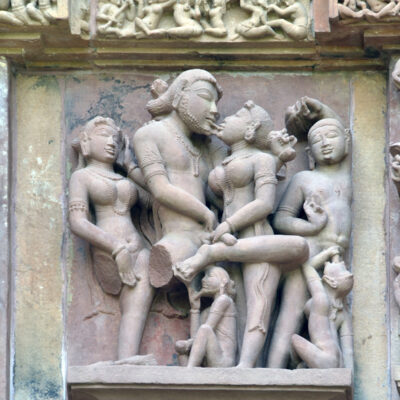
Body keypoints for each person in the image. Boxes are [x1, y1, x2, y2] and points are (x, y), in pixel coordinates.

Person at [173, 101, 309, 367]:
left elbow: (264, 204)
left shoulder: (261, 159)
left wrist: (230, 224)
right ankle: (232, 365)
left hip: (254, 236)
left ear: (251, 129)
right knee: (234, 306)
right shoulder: (224, 162)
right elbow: (217, 200)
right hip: (229, 241)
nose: (225, 118)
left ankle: (246, 367)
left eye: (236, 116)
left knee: (258, 305)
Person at [267, 98, 352, 368]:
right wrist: (312, 226)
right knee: (291, 315)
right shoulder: (304, 179)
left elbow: (341, 128)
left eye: (332, 137)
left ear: (346, 142)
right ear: (309, 154)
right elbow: (281, 219)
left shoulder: (345, 176)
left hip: (335, 262)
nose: (325, 143)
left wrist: (322, 111)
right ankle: (273, 372)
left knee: (329, 320)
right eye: (317, 140)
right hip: (309, 254)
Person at [69, 116, 154, 361]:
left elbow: (154, 200)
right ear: (86, 141)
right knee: (131, 288)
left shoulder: (124, 180)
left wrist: (130, 166)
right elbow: (78, 222)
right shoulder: (82, 177)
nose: (111, 142)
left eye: (116, 139)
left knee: (138, 297)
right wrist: (116, 248)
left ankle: (127, 357)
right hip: (109, 252)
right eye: (104, 136)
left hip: (138, 248)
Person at [132, 69, 226, 289]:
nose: (214, 110)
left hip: (212, 239)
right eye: (205, 98)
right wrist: (204, 213)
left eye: (216, 103)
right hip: (179, 240)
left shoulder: (205, 147)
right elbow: (160, 189)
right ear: (179, 96)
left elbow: (223, 195)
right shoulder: (150, 134)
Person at [292, 244, 353, 369]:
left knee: (294, 339)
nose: (329, 262)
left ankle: (298, 365)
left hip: (325, 359)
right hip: (338, 364)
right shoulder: (343, 314)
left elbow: (307, 266)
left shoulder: (321, 299)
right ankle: (305, 365)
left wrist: (327, 253)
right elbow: (349, 352)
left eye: (331, 264)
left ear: (331, 281)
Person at [176, 266, 237, 367]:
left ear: (223, 281)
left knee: (205, 329)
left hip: (224, 361)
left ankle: (190, 369)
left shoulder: (224, 300)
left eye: (210, 276)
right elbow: (197, 339)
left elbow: (207, 329)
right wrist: (195, 309)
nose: (203, 280)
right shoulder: (207, 311)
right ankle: (189, 375)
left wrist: (187, 344)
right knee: (180, 347)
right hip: (209, 359)